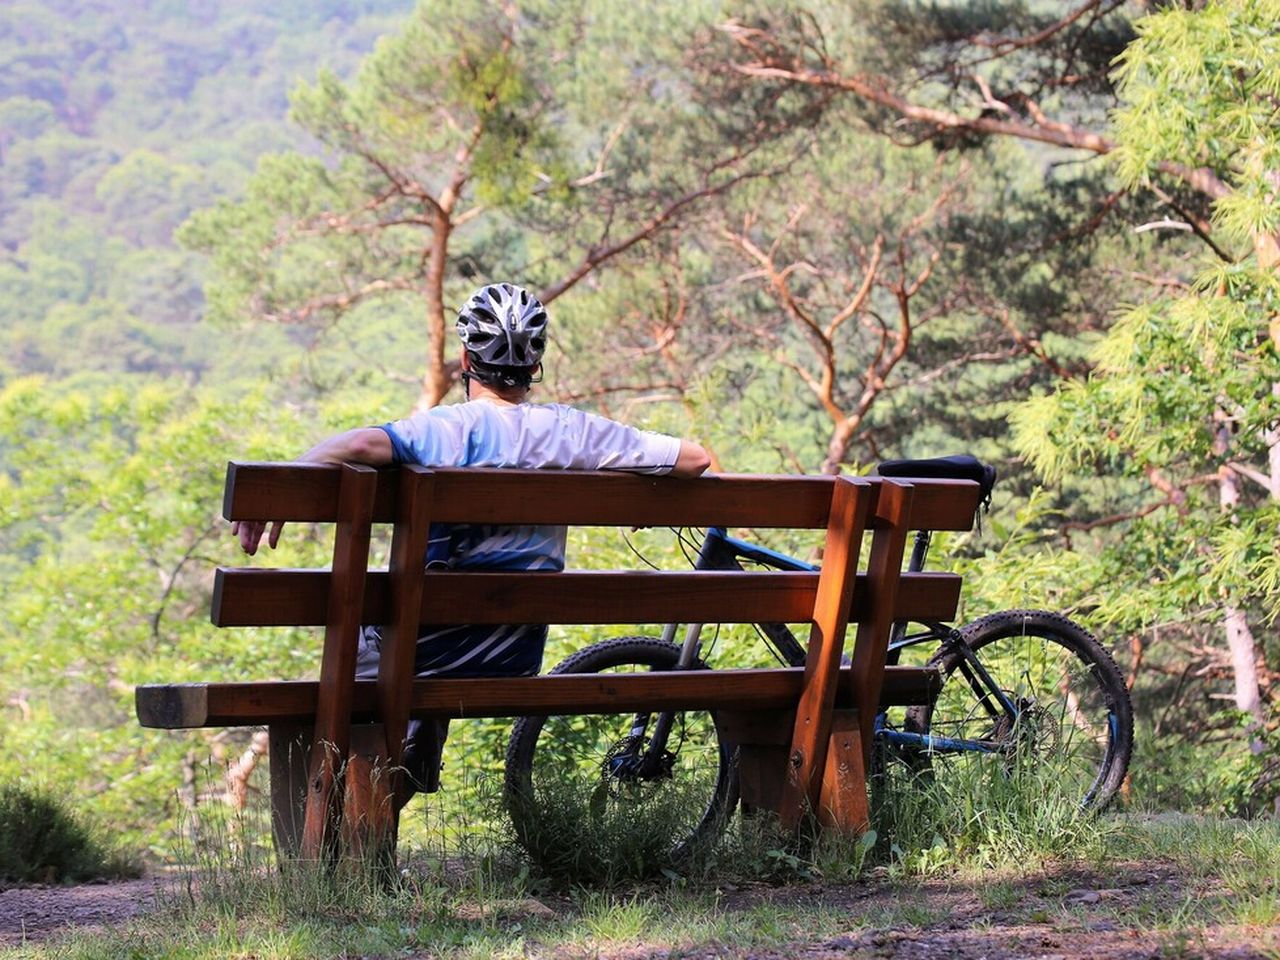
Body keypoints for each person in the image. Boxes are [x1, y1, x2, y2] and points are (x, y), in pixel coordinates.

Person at [233, 281, 711, 801]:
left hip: (423, 648)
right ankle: (410, 749)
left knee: (373, 657)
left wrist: (282, 485)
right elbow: (694, 458)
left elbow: (365, 443)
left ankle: (342, 831)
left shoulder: (445, 431)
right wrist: (642, 492)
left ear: (465, 359)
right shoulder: (575, 432)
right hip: (511, 655)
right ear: (535, 365)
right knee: (415, 644)